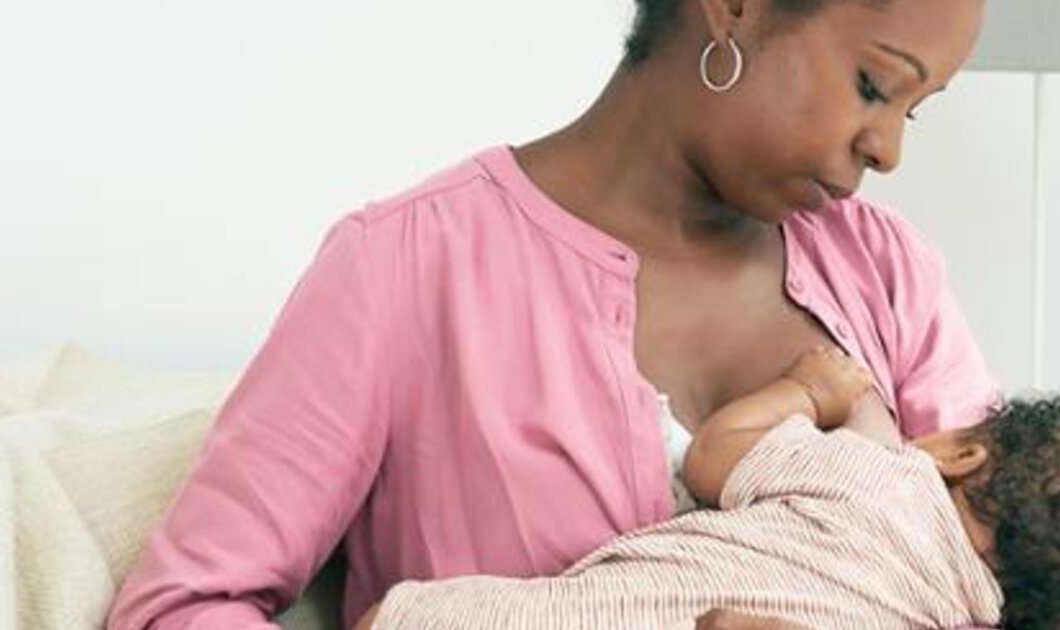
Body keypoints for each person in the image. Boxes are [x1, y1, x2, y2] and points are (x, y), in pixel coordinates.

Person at [108, 0, 1001, 627]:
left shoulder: (887, 276)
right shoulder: (407, 268)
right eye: (876, 87)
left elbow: (1030, 582)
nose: (886, 151)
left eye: (915, 114)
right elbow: (181, 607)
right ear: (734, 6)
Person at [349, 347, 1060, 630]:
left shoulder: (875, 475)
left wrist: (807, 390)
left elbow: (715, 456)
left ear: (963, 456)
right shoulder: (952, 611)